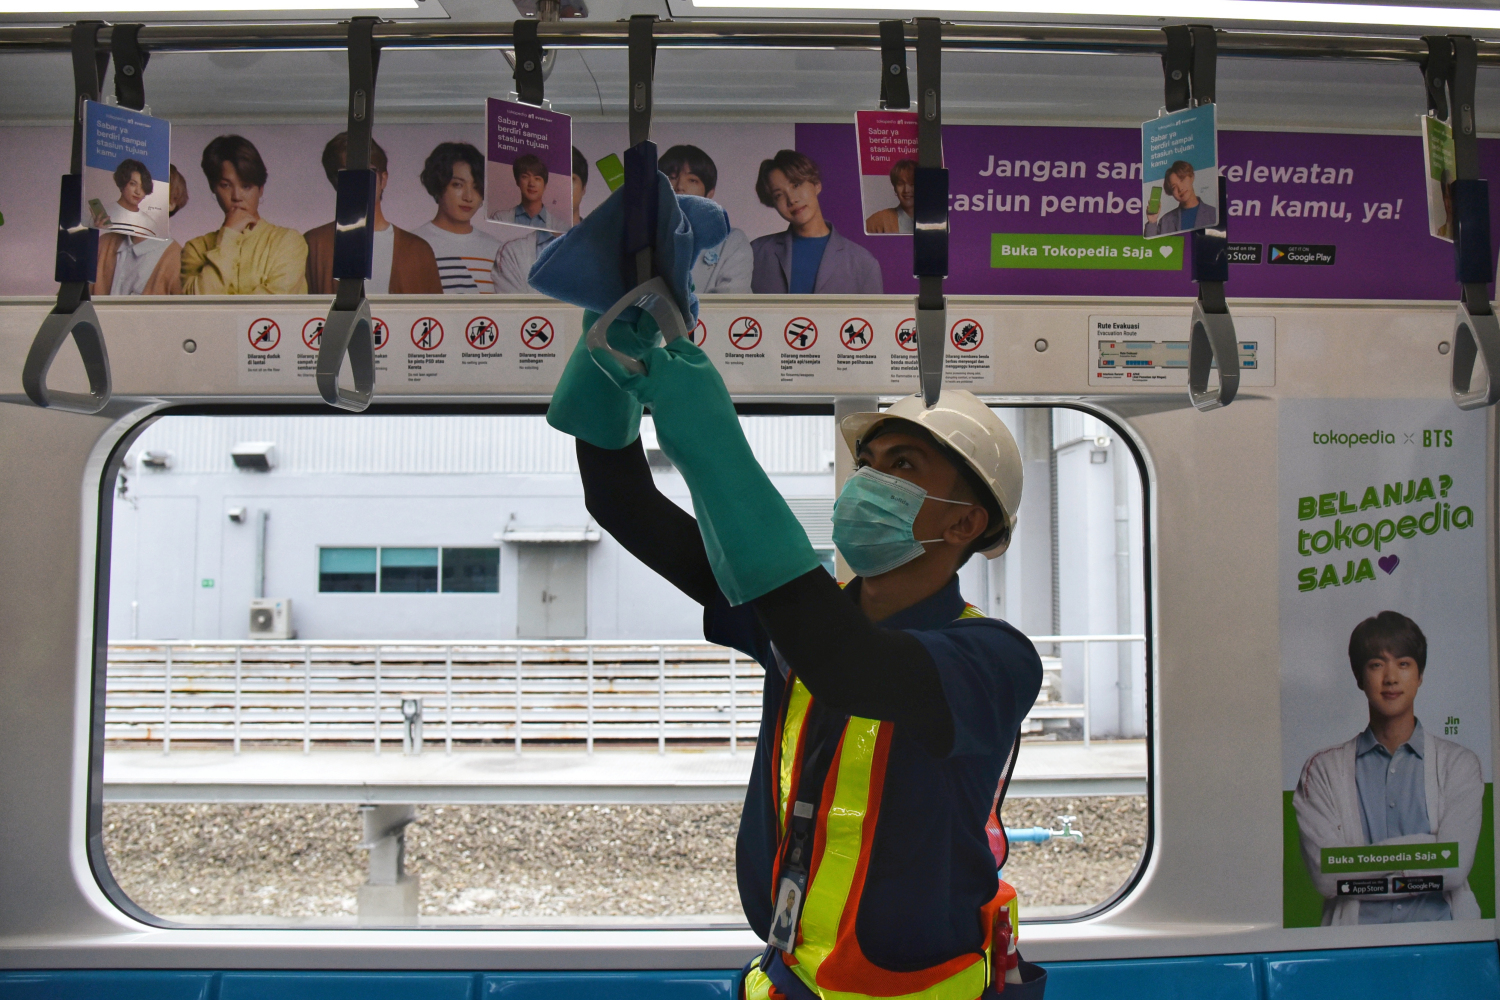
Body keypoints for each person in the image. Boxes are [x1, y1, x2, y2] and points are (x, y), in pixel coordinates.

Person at [552, 327, 1041, 995]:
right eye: (867, 461)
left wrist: (713, 444)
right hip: (786, 979)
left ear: (964, 524)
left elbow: (850, 663)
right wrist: (609, 376)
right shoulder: (799, 621)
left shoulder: (993, 660)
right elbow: (624, 505)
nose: (867, 480)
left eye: (901, 466)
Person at [1293, 611, 1484, 925]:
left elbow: (1454, 868)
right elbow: (1328, 879)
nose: (1391, 678)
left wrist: (1357, 866)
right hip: (1354, 949)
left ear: (1420, 675)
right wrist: (1425, 848)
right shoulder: (1322, 771)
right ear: (1359, 677)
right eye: (1377, 664)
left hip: (1445, 944)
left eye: (1404, 663)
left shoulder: (1459, 764)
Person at [302, 132, 443, 295]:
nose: (358, 182)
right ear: (336, 182)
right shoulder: (314, 243)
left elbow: (435, 315)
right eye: (347, 174)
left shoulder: (418, 250)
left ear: (383, 179)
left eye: (366, 172)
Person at [181, 135, 308, 295]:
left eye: (246, 186)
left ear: (260, 189)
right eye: (225, 185)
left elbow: (272, 309)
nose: (236, 196)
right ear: (213, 187)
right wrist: (229, 236)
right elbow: (197, 307)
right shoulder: (195, 249)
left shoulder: (288, 241)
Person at [751, 149, 882, 294]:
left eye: (796, 185)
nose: (792, 199)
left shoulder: (863, 263)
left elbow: (874, 317)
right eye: (779, 195)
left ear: (816, 184)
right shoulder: (756, 253)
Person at [659, 143, 753, 293]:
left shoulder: (732, 241)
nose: (679, 187)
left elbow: (732, 303)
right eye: (671, 177)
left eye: (692, 180)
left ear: (709, 193)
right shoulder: (641, 239)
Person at [494, 147, 588, 294]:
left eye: (571, 179)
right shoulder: (512, 253)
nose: (564, 187)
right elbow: (515, 312)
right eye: (559, 179)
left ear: (584, 189)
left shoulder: (604, 247)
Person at [413, 141, 502, 293]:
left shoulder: (498, 251)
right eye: (457, 185)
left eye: (476, 187)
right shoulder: (412, 245)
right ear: (438, 185)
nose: (468, 197)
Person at [93, 162, 189, 296]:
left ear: (171, 203)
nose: (139, 192)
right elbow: (68, 302)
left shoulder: (178, 260)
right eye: (135, 184)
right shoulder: (103, 244)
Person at [1143, 160, 1217, 237]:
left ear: (1192, 177)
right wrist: (1152, 221)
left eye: (1182, 180)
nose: (1180, 188)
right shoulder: (1165, 221)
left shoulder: (1214, 214)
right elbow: (1151, 246)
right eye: (1174, 187)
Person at [865, 158, 916, 235]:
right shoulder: (878, 220)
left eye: (912, 184)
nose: (906, 190)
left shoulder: (936, 220)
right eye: (900, 184)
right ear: (895, 188)